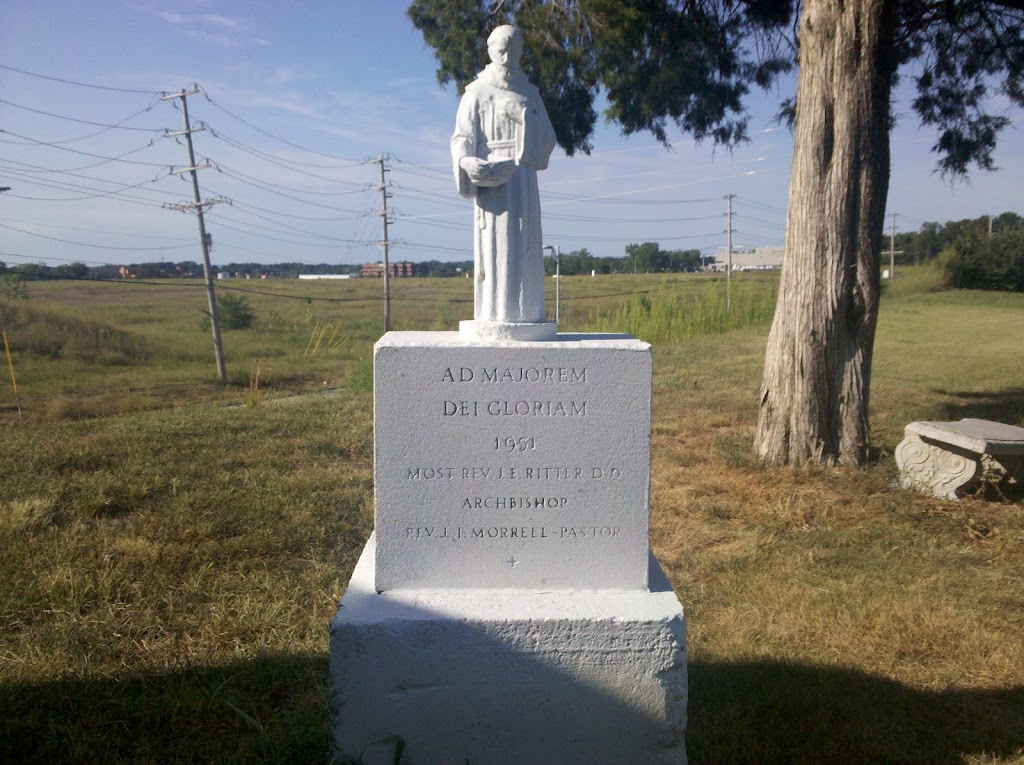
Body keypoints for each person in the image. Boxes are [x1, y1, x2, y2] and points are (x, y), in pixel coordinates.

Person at [451, 25, 557, 324]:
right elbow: (461, 138)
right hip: (491, 182)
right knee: (495, 246)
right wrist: (466, 161)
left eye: (513, 50)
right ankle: (494, 313)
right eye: (501, 50)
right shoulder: (476, 91)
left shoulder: (530, 93)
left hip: (522, 177)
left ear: (521, 52)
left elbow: (548, 138)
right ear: (490, 51)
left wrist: (523, 120)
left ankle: (527, 312)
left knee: (524, 244)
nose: (507, 57)